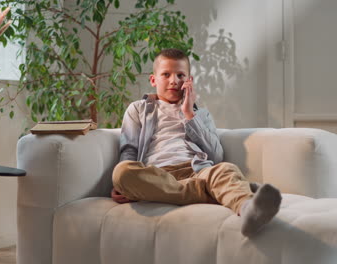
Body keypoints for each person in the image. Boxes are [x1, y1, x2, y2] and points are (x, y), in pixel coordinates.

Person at [111, 48, 282, 236]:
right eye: (166, 74)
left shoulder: (201, 114)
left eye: (180, 75)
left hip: (197, 171)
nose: (174, 81)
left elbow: (216, 155)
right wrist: (121, 185)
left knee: (226, 169)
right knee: (122, 172)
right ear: (153, 79)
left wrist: (189, 114)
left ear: (189, 80)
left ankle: (249, 209)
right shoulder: (138, 109)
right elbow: (129, 150)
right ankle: (210, 193)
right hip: (157, 175)